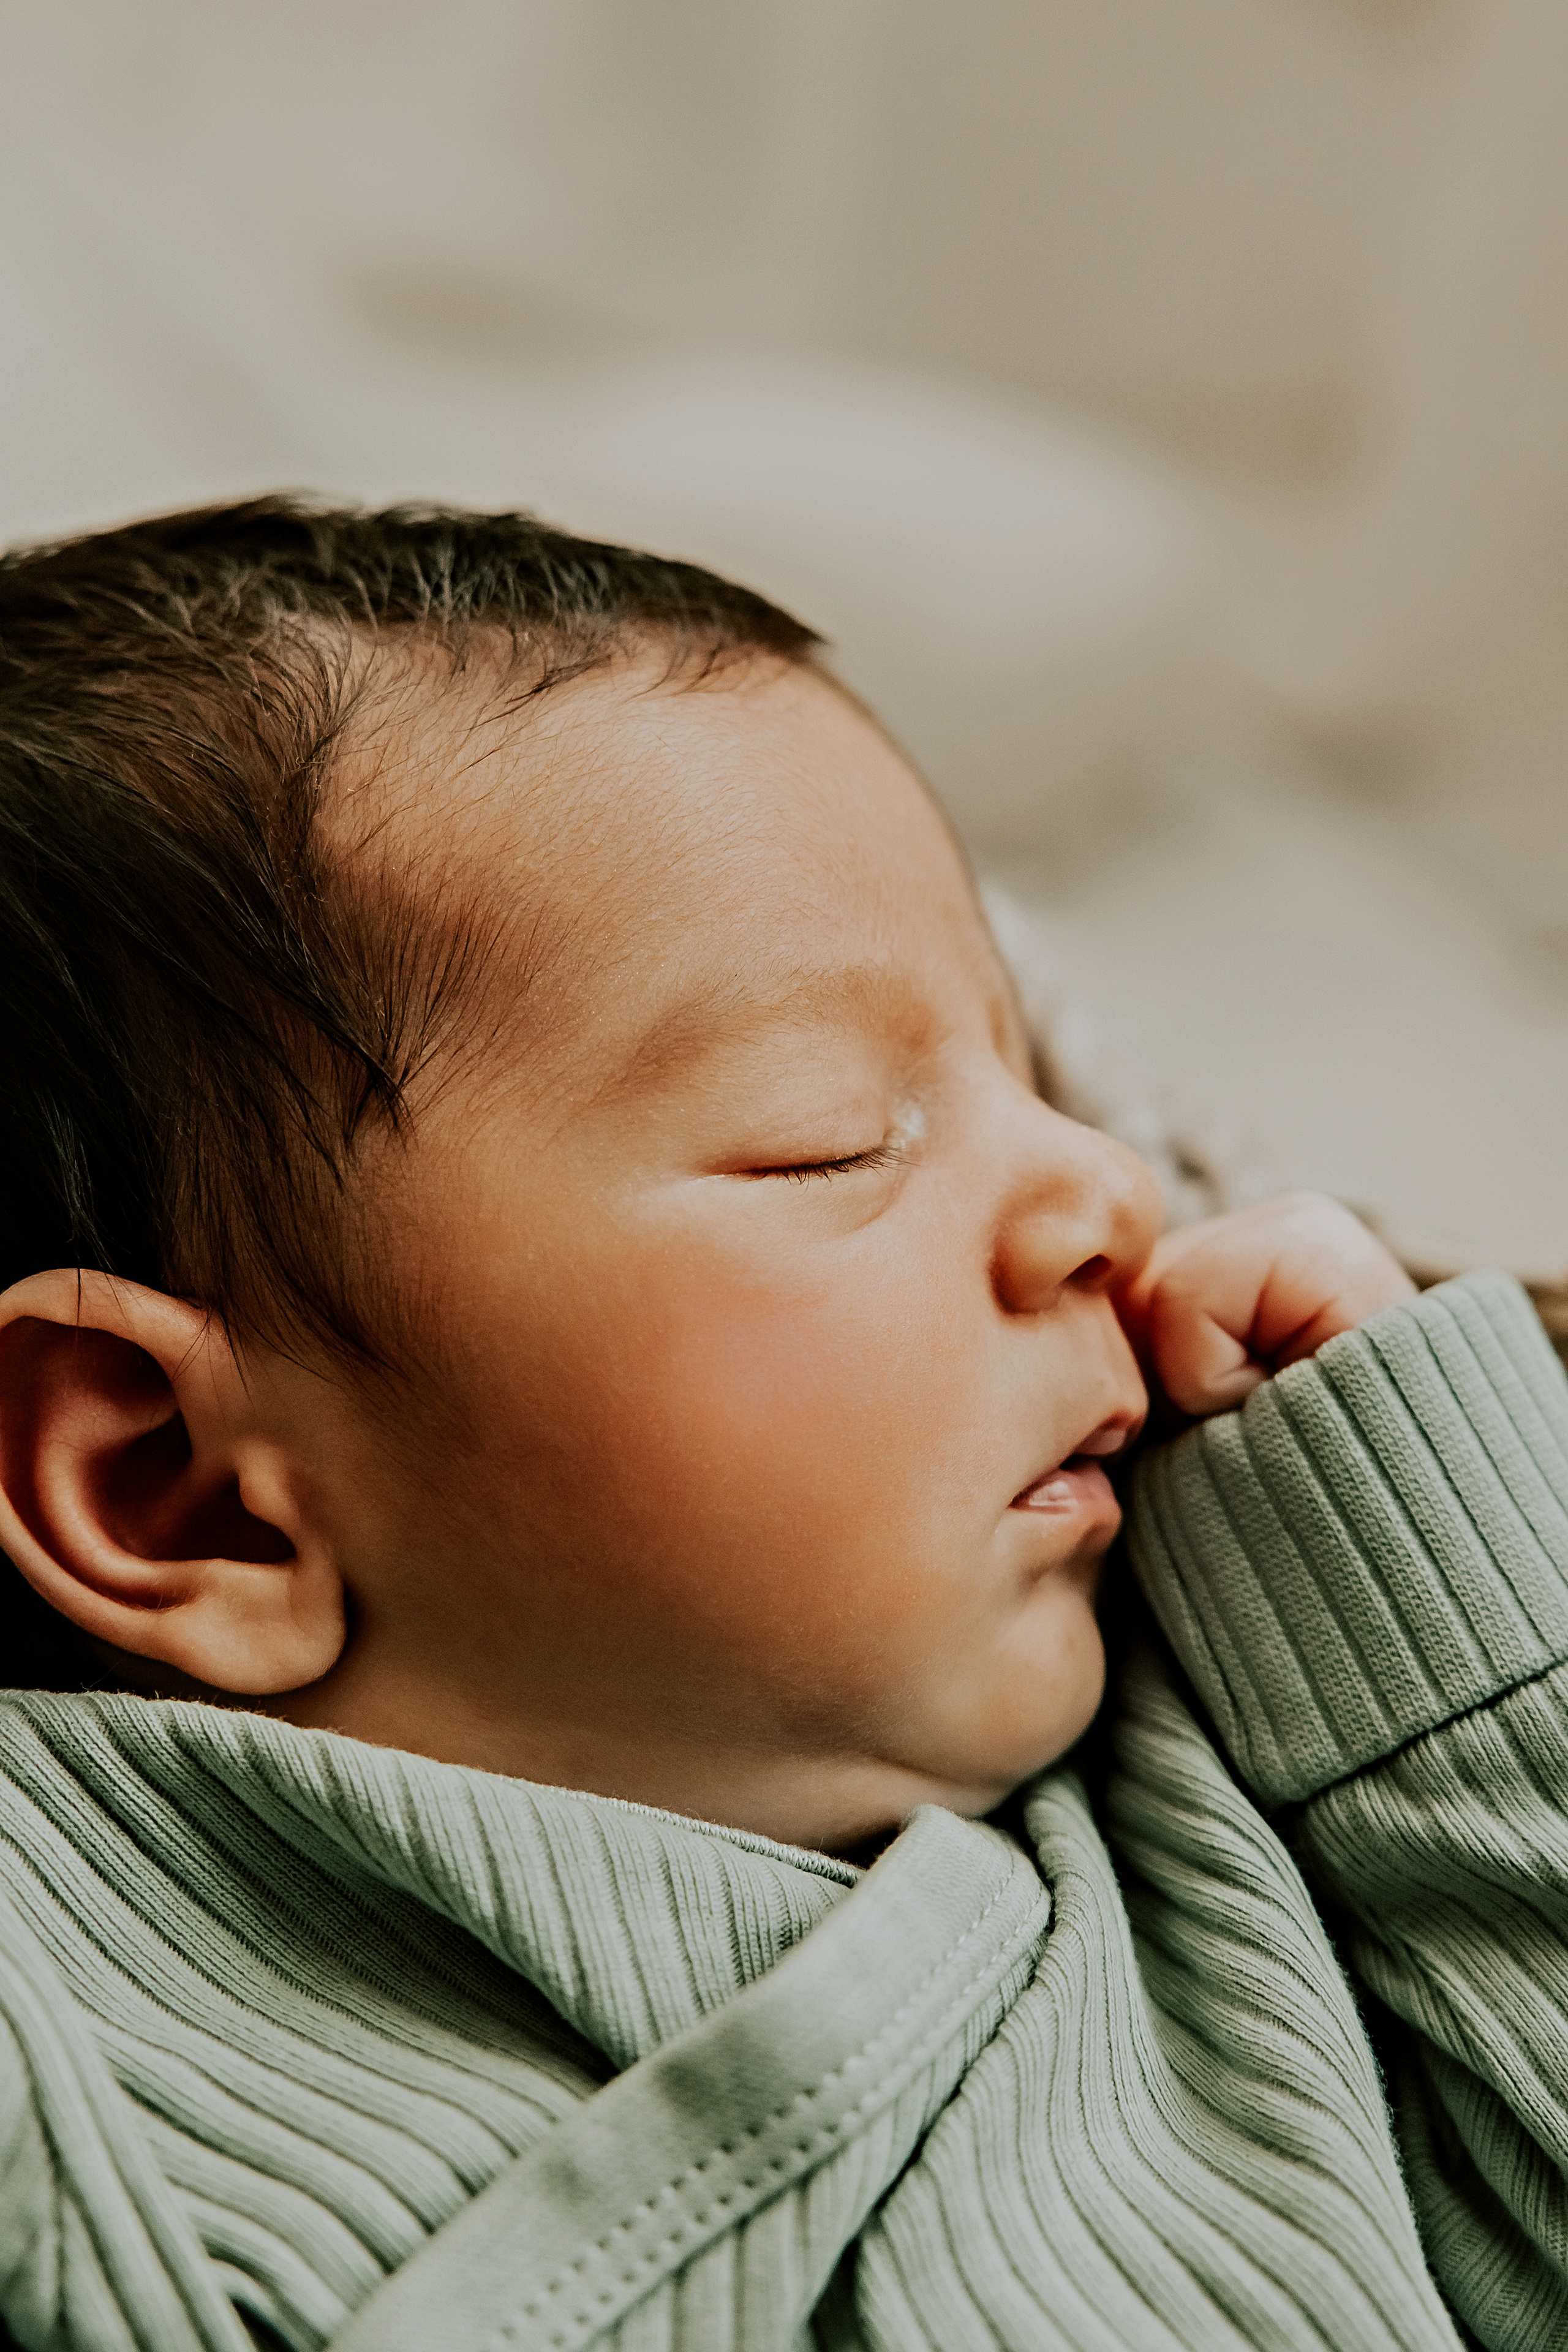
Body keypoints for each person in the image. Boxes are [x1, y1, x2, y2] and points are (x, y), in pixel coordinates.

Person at [0, 499, 1562, 2352]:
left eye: (1032, 1067)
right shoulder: (76, 2063)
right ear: (180, 1491)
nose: (1104, 1189)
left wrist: (1421, 1574)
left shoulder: (1239, 1799)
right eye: (834, 1132)